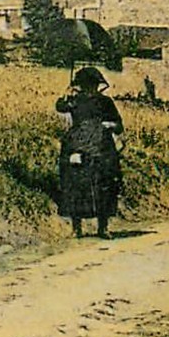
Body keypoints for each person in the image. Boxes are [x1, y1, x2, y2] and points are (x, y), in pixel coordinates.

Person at [55, 65, 123, 238]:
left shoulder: (106, 102)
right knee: (75, 186)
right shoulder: (75, 100)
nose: (89, 88)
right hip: (78, 144)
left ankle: (103, 227)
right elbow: (60, 106)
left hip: (101, 146)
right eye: (85, 85)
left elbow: (118, 125)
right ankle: (76, 228)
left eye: (91, 85)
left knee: (104, 185)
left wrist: (110, 125)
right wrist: (67, 93)